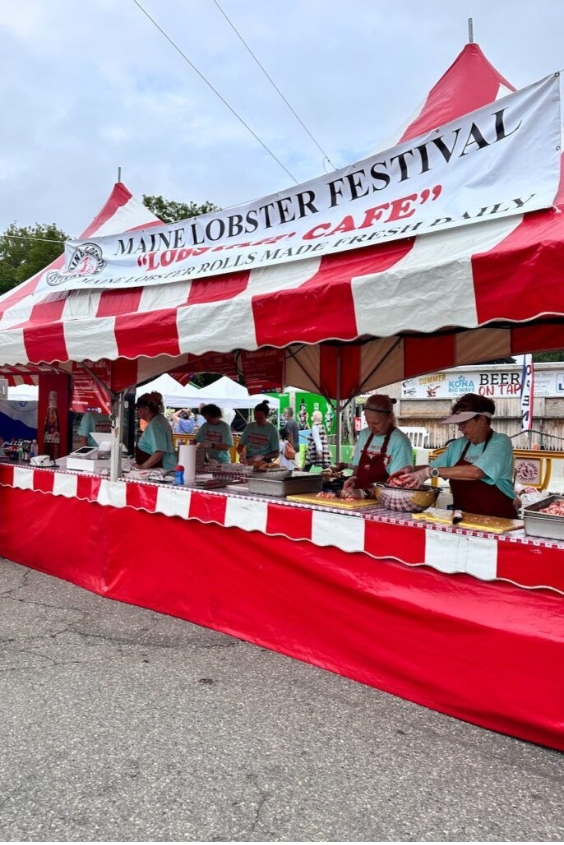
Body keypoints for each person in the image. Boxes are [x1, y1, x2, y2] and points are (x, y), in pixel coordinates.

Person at [392, 393, 518, 518]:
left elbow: (476, 472)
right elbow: (431, 467)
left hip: (499, 521)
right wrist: (412, 470)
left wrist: (428, 472)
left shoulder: (501, 442)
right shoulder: (458, 445)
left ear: (482, 420)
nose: (460, 428)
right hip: (463, 519)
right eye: (458, 424)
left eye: (464, 423)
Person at [342, 394, 413, 498]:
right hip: (357, 500)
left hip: (385, 502)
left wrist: (364, 493)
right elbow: (358, 468)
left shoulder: (400, 441)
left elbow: (398, 485)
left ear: (389, 417)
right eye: (368, 422)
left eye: (376, 423)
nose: (371, 427)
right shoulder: (364, 434)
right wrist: (353, 480)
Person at [133, 391, 177, 470]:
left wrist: (143, 466)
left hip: (161, 468)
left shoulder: (155, 424)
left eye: (138, 408)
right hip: (161, 467)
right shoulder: (159, 419)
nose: (137, 411)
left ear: (146, 409)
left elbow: (160, 451)